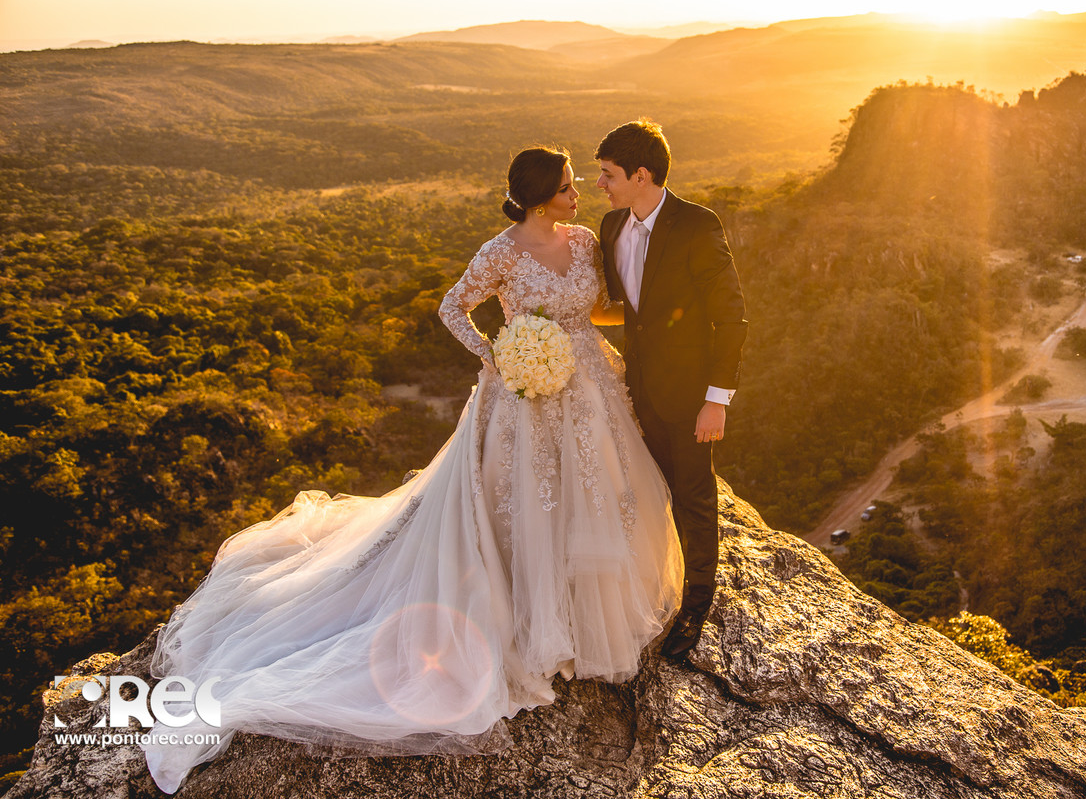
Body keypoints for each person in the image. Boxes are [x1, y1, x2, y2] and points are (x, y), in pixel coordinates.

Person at [138, 146, 683, 794]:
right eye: (568, 187)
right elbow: (453, 308)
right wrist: (499, 354)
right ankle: (533, 617)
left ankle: (586, 606)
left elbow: (593, 310)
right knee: (526, 508)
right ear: (541, 196)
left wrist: (659, 319)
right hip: (525, 397)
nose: (578, 194)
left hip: (590, 382)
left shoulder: (586, 239)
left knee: (599, 494)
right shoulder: (499, 252)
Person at [595, 120, 748, 658]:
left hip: (688, 396)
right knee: (649, 493)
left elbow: (731, 319)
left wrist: (716, 399)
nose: (601, 186)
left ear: (641, 175)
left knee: (694, 498)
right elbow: (624, 312)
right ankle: (656, 587)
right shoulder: (611, 227)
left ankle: (696, 606)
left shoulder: (696, 225)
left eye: (608, 175)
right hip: (633, 389)